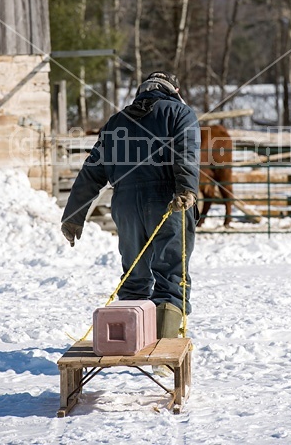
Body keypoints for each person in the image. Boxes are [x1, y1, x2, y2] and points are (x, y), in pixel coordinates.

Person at [61, 71, 200, 339]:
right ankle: (164, 349)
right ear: (175, 89)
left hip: (125, 204)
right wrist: (185, 189)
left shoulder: (115, 122)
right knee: (171, 275)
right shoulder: (179, 113)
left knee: (134, 277)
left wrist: (74, 215)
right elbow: (186, 153)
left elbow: (93, 171)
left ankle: (129, 341)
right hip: (168, 201)